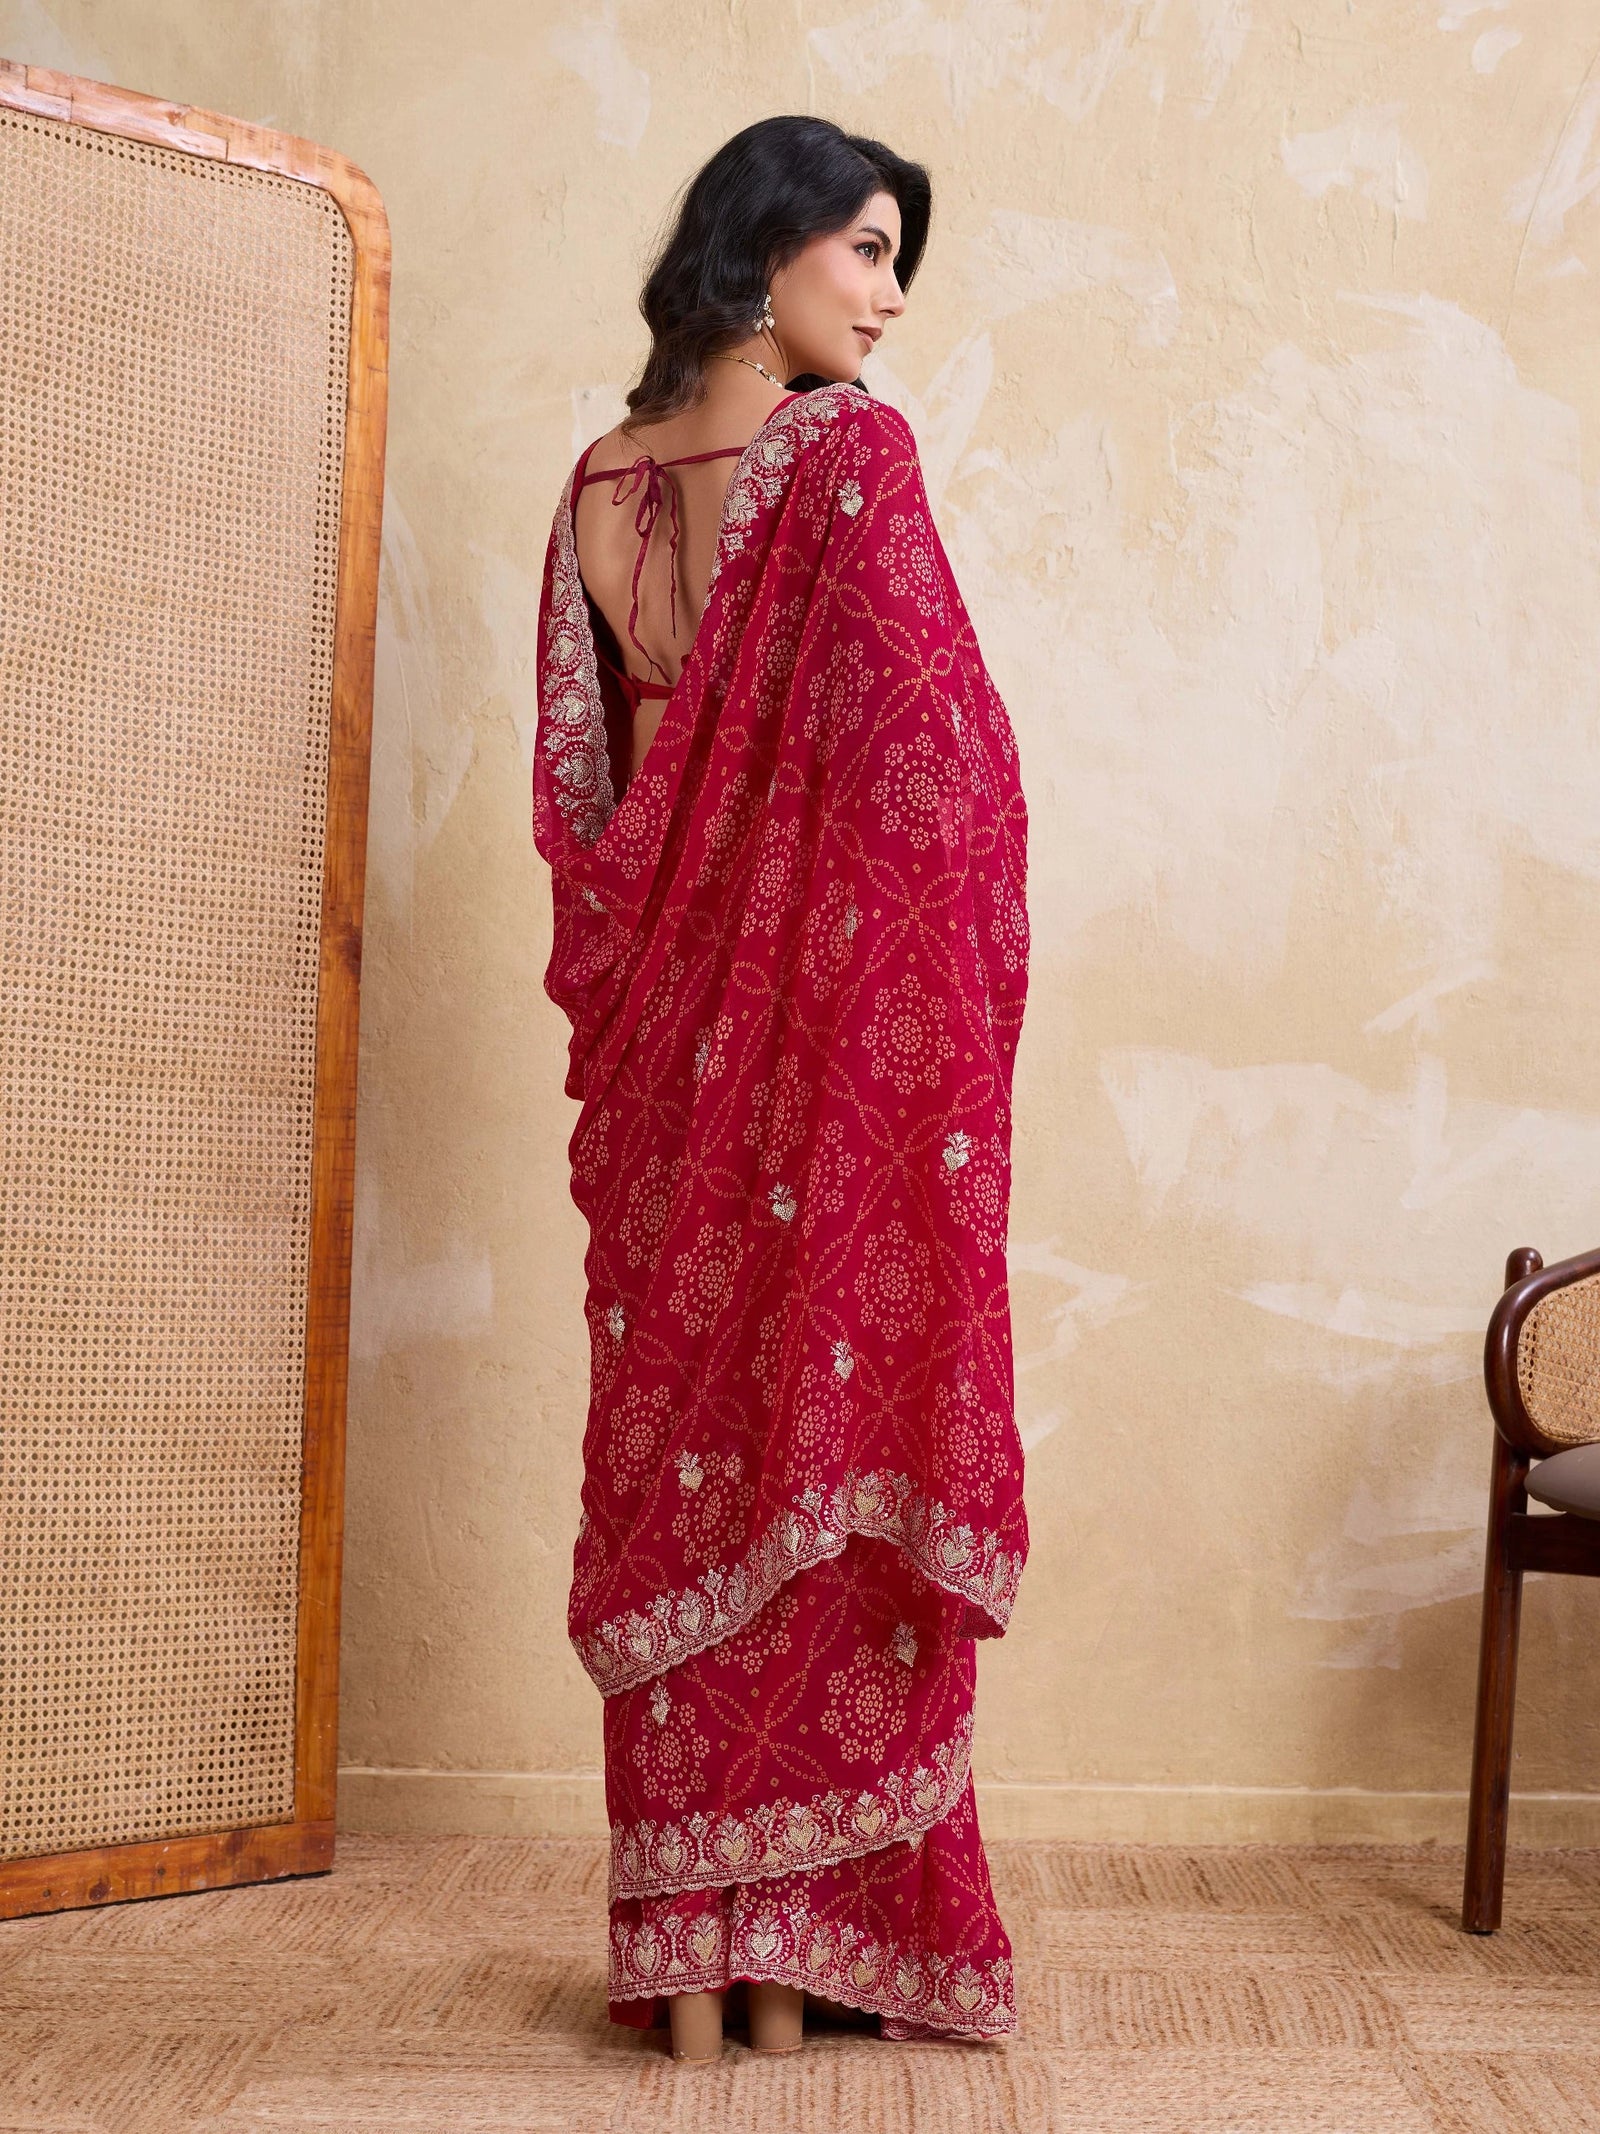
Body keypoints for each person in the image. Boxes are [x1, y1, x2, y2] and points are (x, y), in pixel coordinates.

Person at [532, 114, 1031, 2061]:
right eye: (871, 249)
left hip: (663, 1064)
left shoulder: (592, 484)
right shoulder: (845, 459)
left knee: (690, 1458)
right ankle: (808, 1946)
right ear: (768, 247)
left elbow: (594, 810)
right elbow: (939, 778)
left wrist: (707, 948)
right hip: (813, 1059)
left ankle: (695, 1954)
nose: (891, 298)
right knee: (809, 1449)